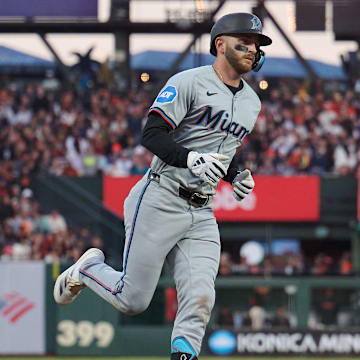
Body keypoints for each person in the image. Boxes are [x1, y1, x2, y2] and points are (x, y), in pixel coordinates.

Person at [54, 13, 272, 360]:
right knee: (133, 300)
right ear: (220, 44)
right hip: (161, 196)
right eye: (244, 41)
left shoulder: (252, 101)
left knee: (200, 296)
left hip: (201, 211)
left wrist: (235, 175)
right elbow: (152, 134)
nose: (253, 49)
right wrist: (189, 159)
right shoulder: (189, 81)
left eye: (258, 44)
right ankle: (88, 269)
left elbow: (221, 152)